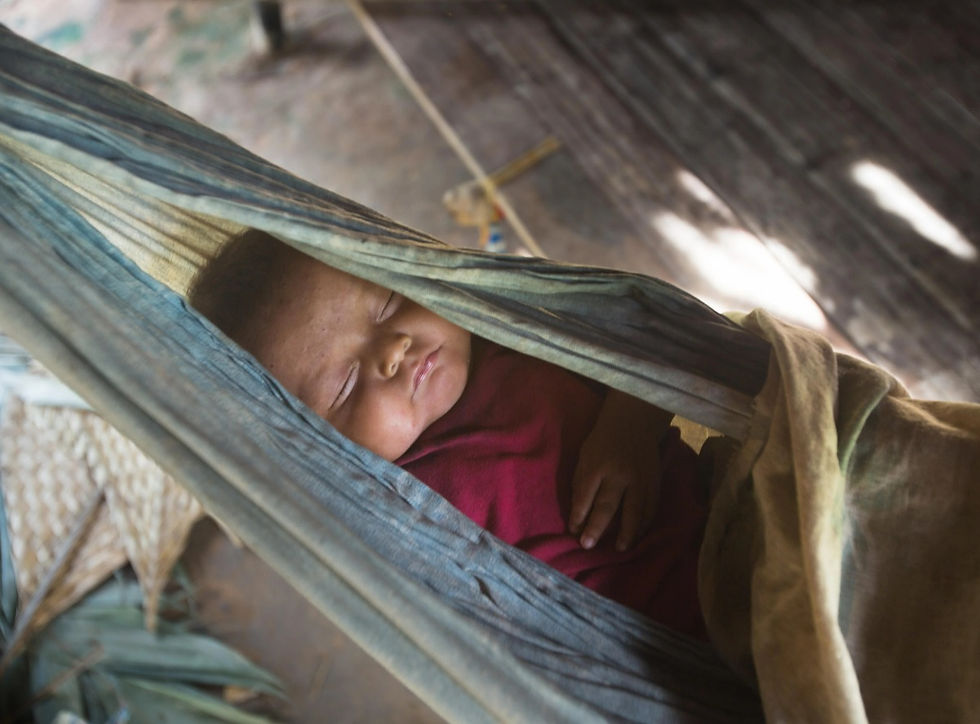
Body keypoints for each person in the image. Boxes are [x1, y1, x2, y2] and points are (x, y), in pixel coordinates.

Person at [189, 229, 709, 636]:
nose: (392, 349)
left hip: (726, 538)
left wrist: (629, 427)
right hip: (665, 667)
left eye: (389, 302)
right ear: (320, 451)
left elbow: (650, 351)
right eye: (346, 385)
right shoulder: (390, 518)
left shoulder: (515, 329)